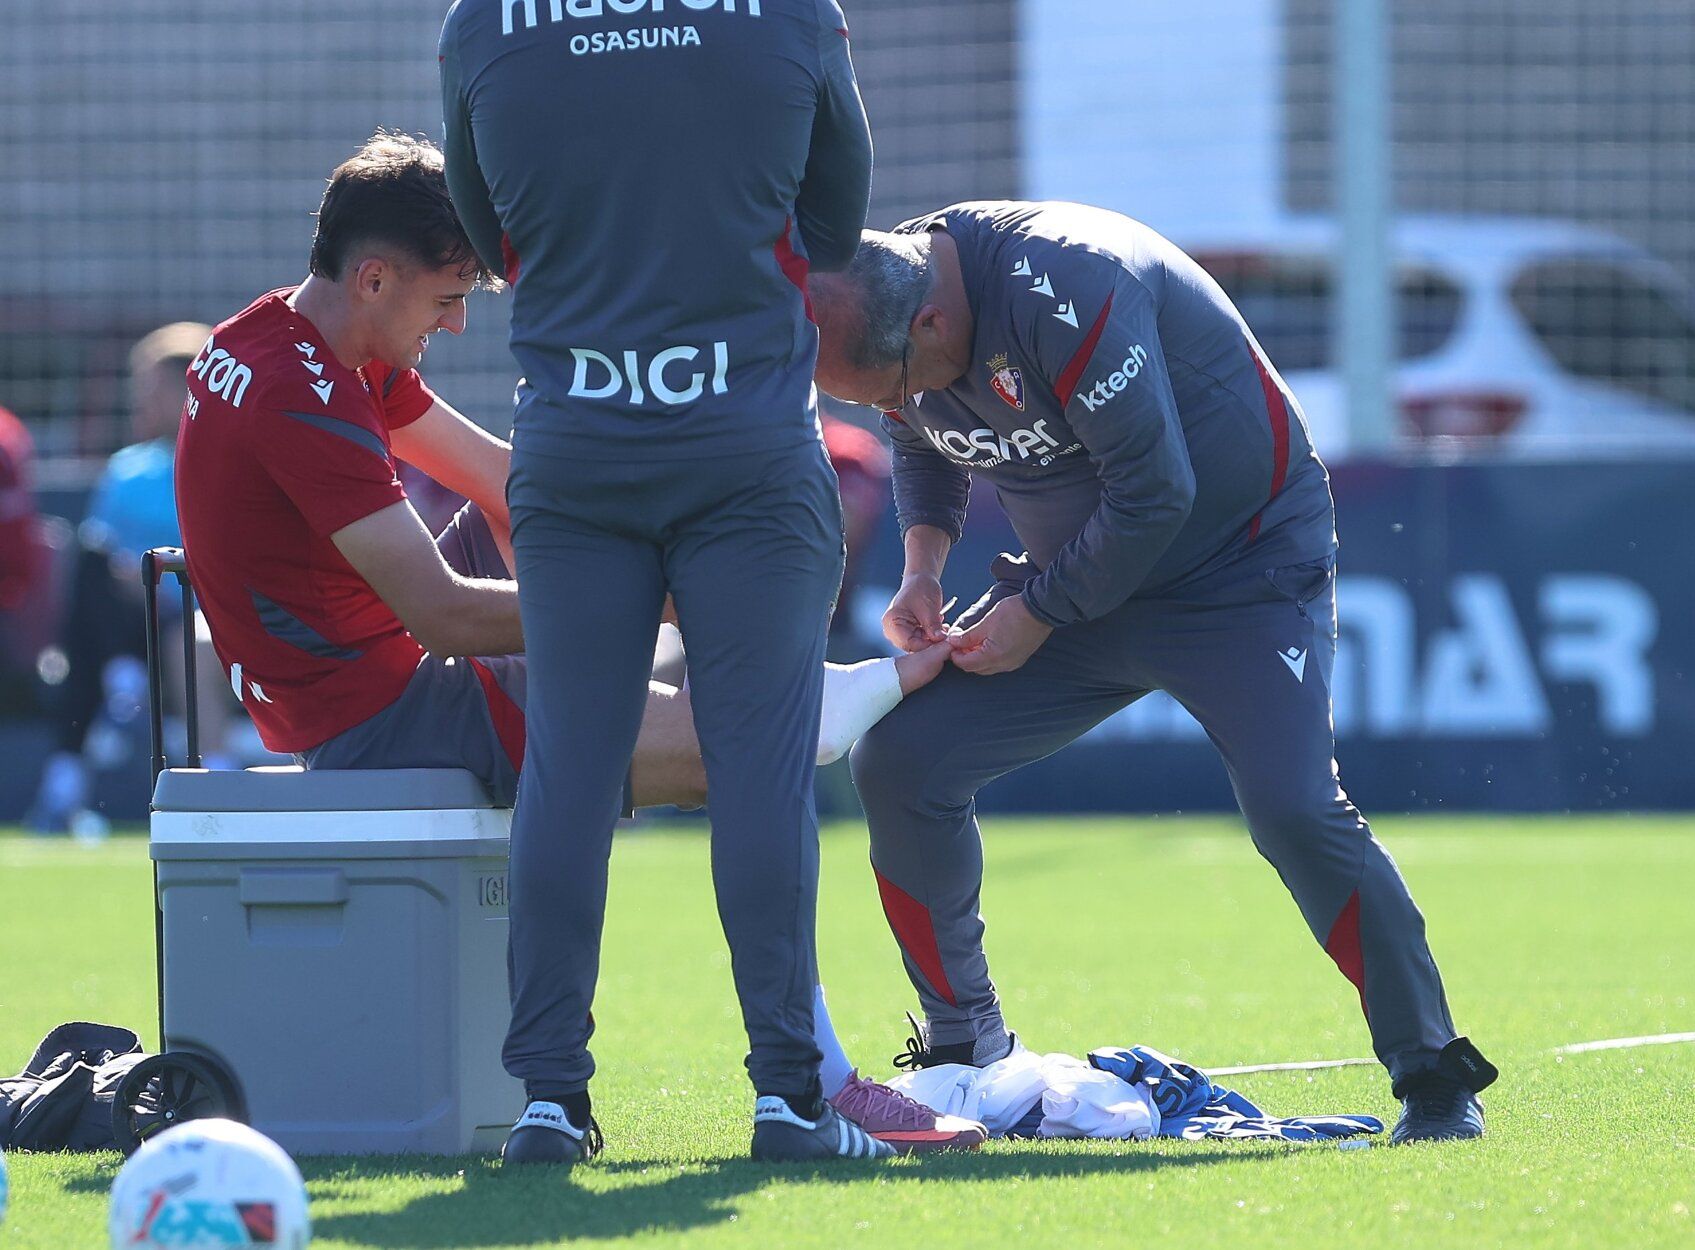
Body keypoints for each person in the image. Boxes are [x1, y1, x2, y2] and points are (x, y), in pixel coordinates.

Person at [174, 134, 981, 1160]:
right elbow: (443, 617)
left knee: (571, 542)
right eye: (447, 295)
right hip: (379, 707)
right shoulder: (304, 392)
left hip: (369, 659)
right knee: (742, 747)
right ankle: (817, 1076)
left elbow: (506, 479)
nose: (459, 320)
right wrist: (659, 596)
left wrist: (668, 554)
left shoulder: (292, 337)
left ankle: (776, 687)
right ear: (375, 275)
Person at [808, 202, 1500, 1145]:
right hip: (1080, 584)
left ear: (932, 324)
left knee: (1294, 809)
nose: (891, 410)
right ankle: (965, 1047)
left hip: (1237, 576)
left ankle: (1432, 1074)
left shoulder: (1069, 285)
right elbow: (921, 434)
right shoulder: (895, 287)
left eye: (890, 387)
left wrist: (1039, 613)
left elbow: (1156, 492)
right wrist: (923, 568)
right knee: (901, 758)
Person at [439, 0, 882, 1162]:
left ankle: (546, 1097)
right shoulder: (790, 12)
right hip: (747, 443)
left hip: (575, 448)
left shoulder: (483, 21)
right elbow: (833, 221)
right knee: (759, 769)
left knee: (570, 770)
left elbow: (488, 244)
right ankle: (788, 1095)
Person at [28, 324, 211, 836]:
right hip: (131, 611)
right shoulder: (126, 468)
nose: (139, 403)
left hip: (200, 613)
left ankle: (121, 679)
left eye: (151, 389)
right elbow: (104, 558)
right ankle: (121, 671)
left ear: (185, 391)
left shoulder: (222, 463)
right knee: (87, 559)